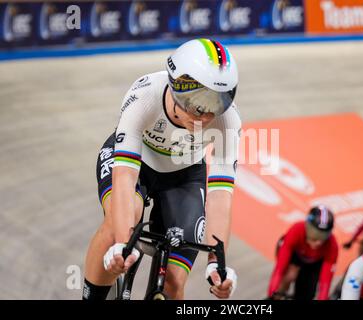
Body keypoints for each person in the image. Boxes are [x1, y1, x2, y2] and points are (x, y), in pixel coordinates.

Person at [82, 38, 240, 300]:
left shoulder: (229, 121)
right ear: (176, 86)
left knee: (174, 284)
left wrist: (217, 261)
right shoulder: (144, 96)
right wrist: (123, 242)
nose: (203, 117)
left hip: (185, 174)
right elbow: (125, 176)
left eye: (216, 105)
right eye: (196, 104)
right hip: (137, 164)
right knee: (117, 226)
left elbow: (220, 194)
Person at [267, 206, 338, 300]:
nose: (319, 242)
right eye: (315, 234)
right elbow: (279, 269)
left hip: (314, 262)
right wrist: (272, 294)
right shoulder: (296, 230)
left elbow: (325, 284)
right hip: (295, 255)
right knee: (289, 276)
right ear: (307, 227)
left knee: (306, 292)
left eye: (324, 236)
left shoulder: (332, 246)